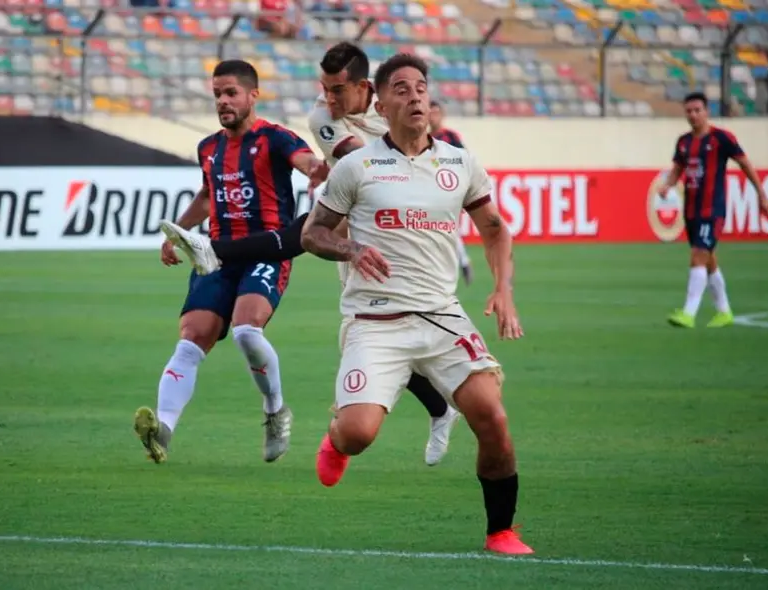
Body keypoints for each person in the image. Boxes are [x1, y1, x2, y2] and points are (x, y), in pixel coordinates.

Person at [160, 42, 463, 467]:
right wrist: (317, 174)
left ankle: (440, 406)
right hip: (359, 222)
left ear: (365, 89)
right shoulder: (323, 116)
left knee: (390, 321)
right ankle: (439, 408)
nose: (329, 99)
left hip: (405, 229)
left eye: (338, 90)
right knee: (375, 328)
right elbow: (358, 164)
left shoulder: (393, 107)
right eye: (325, 88)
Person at [300, 53, 533, 556]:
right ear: (381, 105)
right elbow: (313, 233)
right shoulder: (357, 166)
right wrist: (351, 248)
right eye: (401, 90)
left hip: (440, 315)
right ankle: (337, 435)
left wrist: (503, 289)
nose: (415, 96)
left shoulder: (459, 162)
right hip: (375, 320)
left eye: (421, 87)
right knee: (359, 435)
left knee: (491, 417)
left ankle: (501, 532)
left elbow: (494, 229)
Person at [133, 59, 325, 465]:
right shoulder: (209, 147)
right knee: (191, 337)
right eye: (217, 93)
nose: (223, 101)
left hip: (266, 252)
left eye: (230, 93)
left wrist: (317, 170)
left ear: (253, 95)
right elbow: (207, 196)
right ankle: (163, 431)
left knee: (246, 329)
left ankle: (275, 410)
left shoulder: (275, 138)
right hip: (215, 256)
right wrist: (177, 233)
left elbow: (305, 161)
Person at [659, 92, 768, 329]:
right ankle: (724, 312)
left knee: (698, 255)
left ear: (706, 111)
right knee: (708, 260)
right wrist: (668, 184)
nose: (693, 115)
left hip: (712, 210)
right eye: (689, 111)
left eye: (697, 110)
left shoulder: (722, 138)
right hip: (691, 211)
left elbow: (745, 163)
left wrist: (762, 194)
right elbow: (678, 168)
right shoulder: (683, 142)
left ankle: (688, 314)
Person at [429, 100, 473, 285]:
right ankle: (455, 263)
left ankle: (461, 262)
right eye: (431, 112)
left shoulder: (450, 137)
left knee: (449, 227)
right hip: (430, 189)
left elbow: (465, 161)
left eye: (437, 112)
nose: (434, 116)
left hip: (448, 188)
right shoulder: (425, 138)